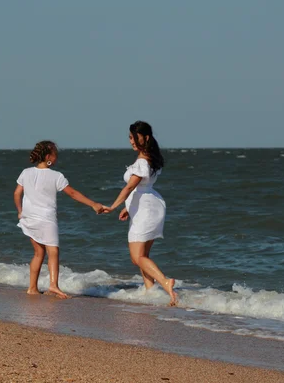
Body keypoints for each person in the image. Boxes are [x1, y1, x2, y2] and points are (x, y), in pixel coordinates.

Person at [14, 140, 104, 299]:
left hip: (29, 218)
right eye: (55, 155)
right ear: (48, 156)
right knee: (53, 251)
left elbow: (16, 193)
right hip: (46, 218)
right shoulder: (56, 176)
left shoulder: (26, 172)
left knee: (38, 253)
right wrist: (93, 204)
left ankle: (32, 288)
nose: (56, 158)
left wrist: (20, 211)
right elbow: (73, 194)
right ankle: (54, 286)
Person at [103, 121, 178, 306]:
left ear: (145, 138)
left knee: (138, 258)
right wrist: (128, 207)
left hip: (145, 209)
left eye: (135, 137)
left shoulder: (142, 162)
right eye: (130, 137)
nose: (131, 141)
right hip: (148, 206)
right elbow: (142, 188)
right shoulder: (150, 159)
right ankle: (151, 293)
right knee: (143, 256)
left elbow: (130, 187)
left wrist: (112, 206)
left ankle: (165, 283)